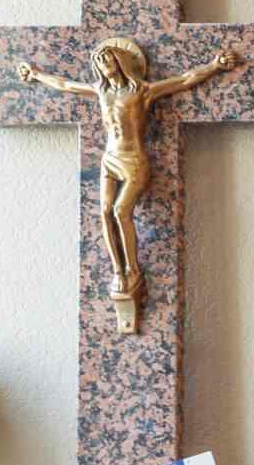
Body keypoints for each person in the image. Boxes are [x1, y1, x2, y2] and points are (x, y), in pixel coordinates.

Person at [17, 39, 239, 304]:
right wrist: (36, 75)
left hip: (133, 160)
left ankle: (133, 269)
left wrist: (214, 66)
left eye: (107, 58)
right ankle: (118, 271)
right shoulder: (100, 90)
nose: (103, 64)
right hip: (109, 159)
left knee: (121, 211)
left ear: (120, 61)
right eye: (99, 61)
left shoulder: (142, 91)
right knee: (104, 212)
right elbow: (66, 85)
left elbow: (183, 80)